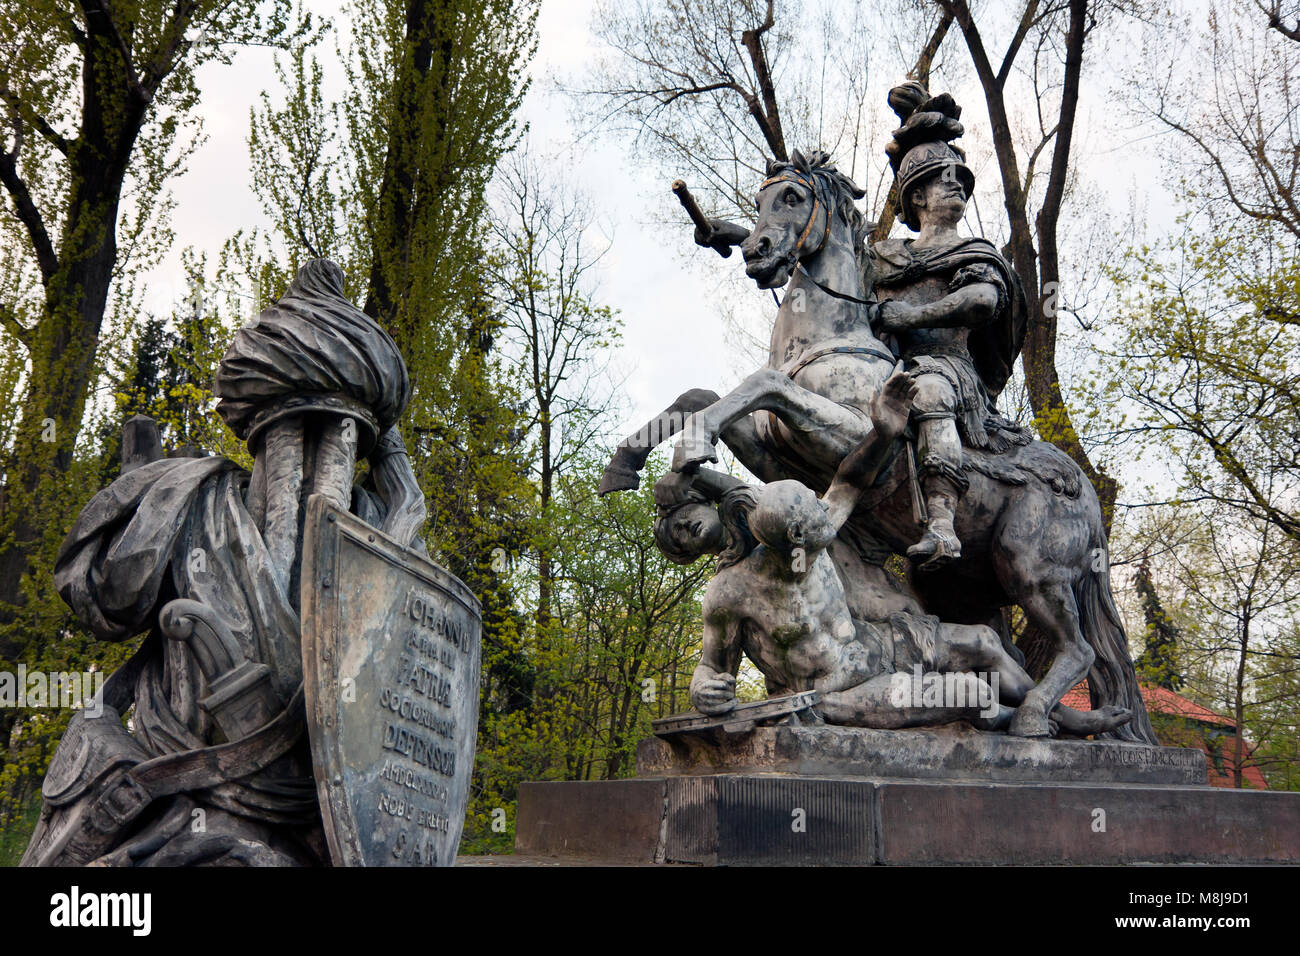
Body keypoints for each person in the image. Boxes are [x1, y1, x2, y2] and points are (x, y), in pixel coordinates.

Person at [867, 81, 1030, 569]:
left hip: (948, 369)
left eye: (960, 179)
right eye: (945, 180)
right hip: (887, 365)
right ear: (917, 195)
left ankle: (941, 525)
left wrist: (909, 315)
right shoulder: (885, 257)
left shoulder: (974, 252)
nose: (957, 186)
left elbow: (981, 302)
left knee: (930, 392)